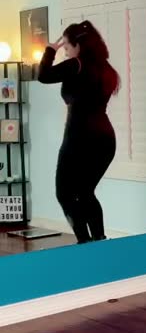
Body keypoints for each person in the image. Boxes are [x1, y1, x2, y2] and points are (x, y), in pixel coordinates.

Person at [38, 20, 119, 244]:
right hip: (105, 139)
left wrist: (50, 51)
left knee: (64, 193)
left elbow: (44, 76)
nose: (65, 51)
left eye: (66, 47)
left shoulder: (77, 65)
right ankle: (99, 242)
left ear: (78, 46)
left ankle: (84, 242)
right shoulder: (106, 69)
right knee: (85, 192)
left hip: (80, 138)